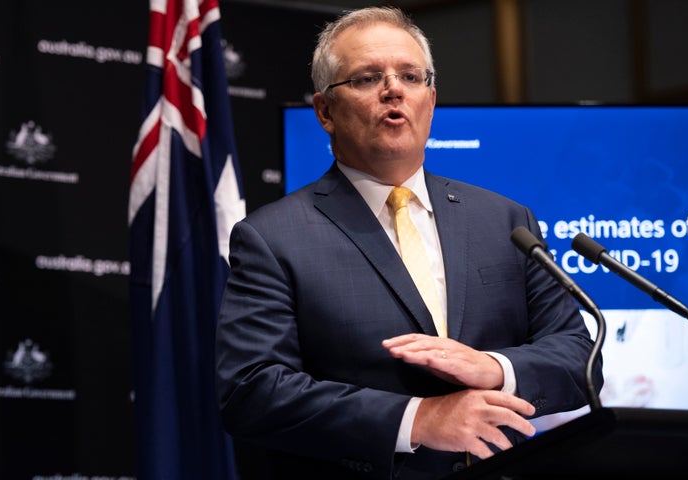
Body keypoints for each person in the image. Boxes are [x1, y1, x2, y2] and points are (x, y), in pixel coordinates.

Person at [215, 6, 603, 480]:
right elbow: (252, 392)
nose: (393, 88)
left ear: (431, 99)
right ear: (324, 112)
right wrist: (417, 419)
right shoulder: (272, 238)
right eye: (366, 78)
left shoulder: (504, 220)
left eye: (410, 76)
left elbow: (581, 356)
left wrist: (495, 367)